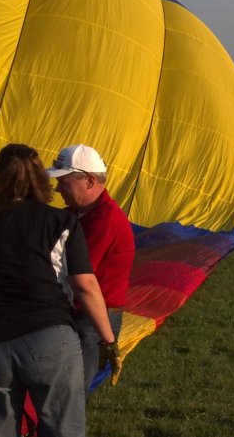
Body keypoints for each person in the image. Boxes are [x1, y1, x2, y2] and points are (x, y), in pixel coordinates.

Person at [0, 143, 119, 437]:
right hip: (49, 335)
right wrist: (109, 340)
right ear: (41, 179)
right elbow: (85, 285)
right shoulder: (62, 222)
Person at [46, 144, 135, 394]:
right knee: (59, 384)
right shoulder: (79, 212)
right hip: (79, 310)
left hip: (93, 318)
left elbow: (80, 278)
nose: (57, 188)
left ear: (89, 180)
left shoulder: (106, 220)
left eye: (63, 182)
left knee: (71, 392)